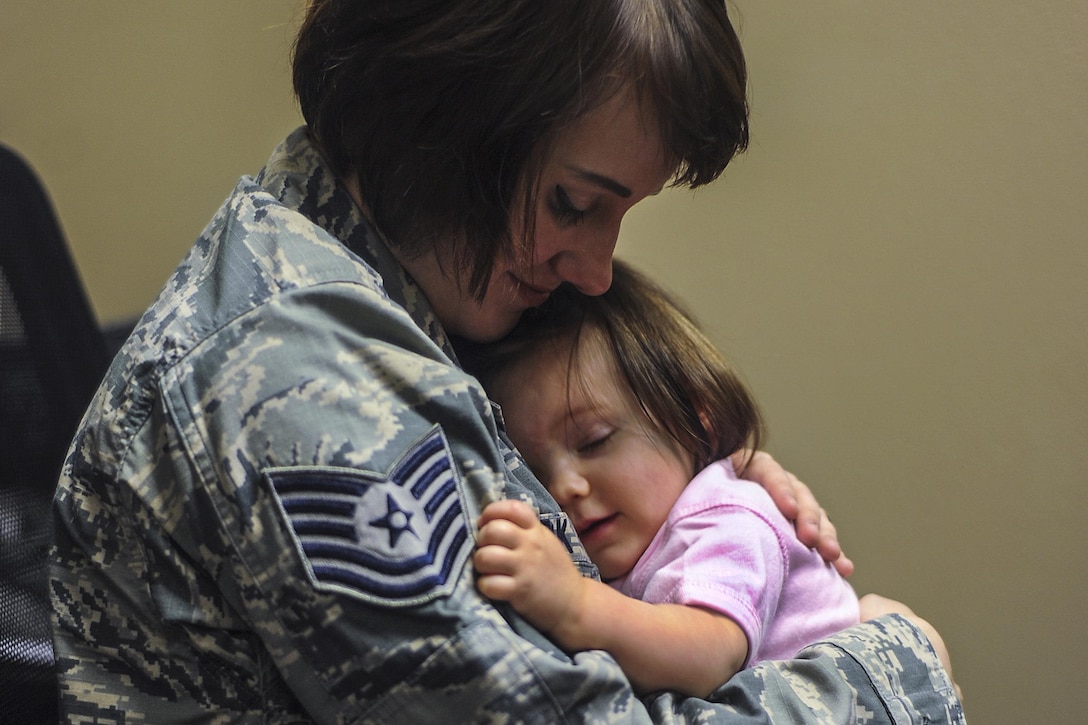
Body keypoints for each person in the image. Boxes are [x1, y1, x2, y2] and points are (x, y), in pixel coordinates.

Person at [50, 1, 964, 722]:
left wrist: (713, 471)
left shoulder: (402, 287)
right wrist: (890, 666)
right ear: (438, 122)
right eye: (572, 202)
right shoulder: (302, 393)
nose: (598, 269)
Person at [467, 259, 863, 697]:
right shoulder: (632, 549)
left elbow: (709, 655)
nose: (564, 489)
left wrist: (574, 605)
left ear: (695, 418)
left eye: (594, 441)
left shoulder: (725, 518)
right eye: (534, 473)